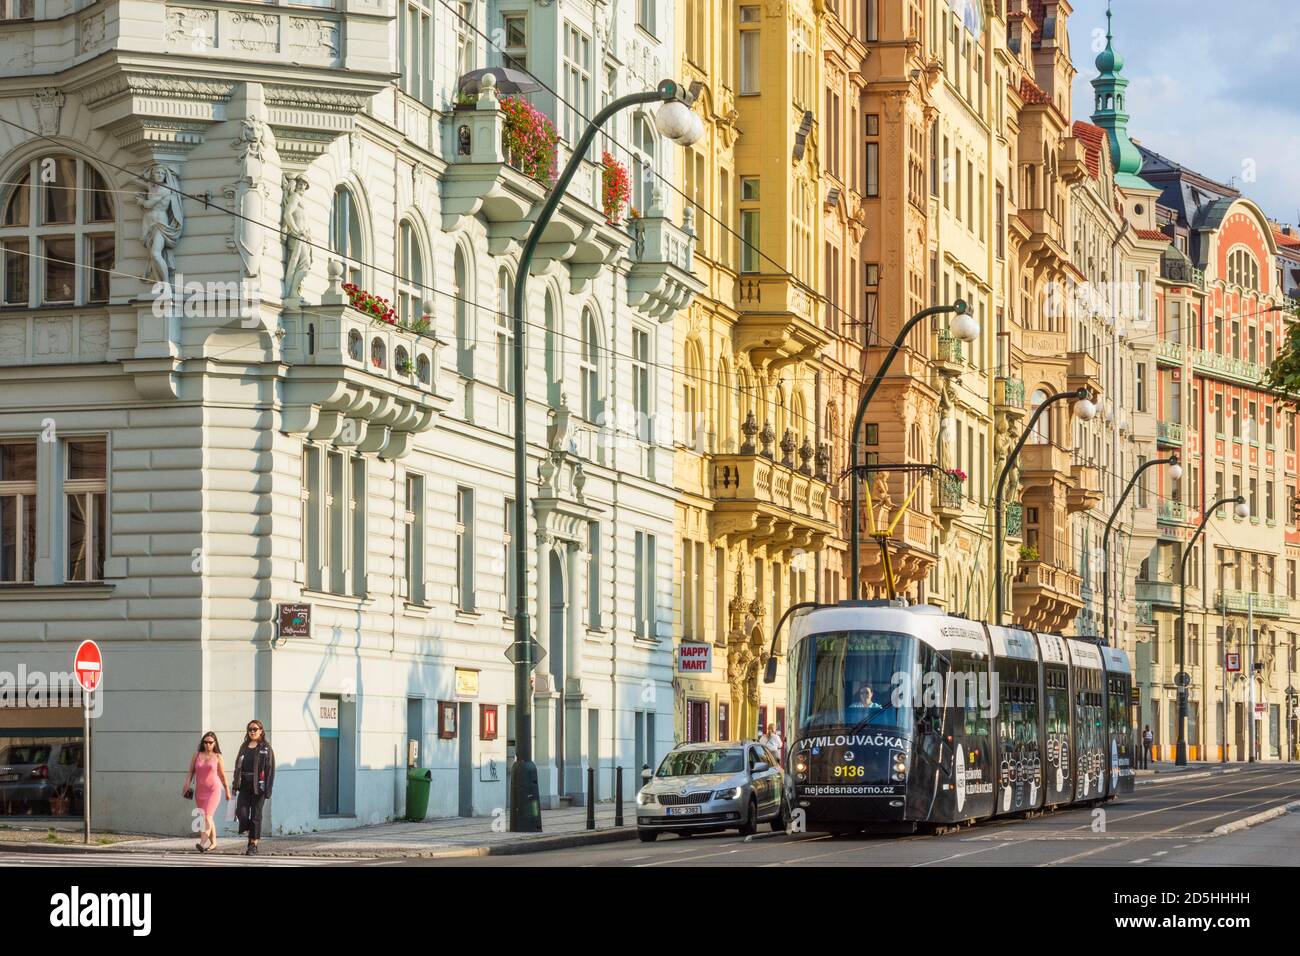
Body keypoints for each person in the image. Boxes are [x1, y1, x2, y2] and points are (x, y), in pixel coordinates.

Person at [232, 720, 275, 856]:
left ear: (261, 730)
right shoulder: (244, 746)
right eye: (250, 729)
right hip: (244, 785)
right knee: (242, 812)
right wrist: (235, 784)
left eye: (255, 729)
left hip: (259, 787)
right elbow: (237, 766)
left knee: (256, 816)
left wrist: (268, 789)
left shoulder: (266, 748)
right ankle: (249, 830)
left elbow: (270, 769)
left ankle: (253, 845)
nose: (252, 731)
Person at [183, 732, 230, 853]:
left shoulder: (218, 756)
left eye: (210, 742)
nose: (207, 744)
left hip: (213, 790)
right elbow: (190, 772)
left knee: (207, 816)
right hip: (200, 791)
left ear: (215, 743)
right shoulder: (197, 755)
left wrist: (227, 790)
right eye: (205, 742)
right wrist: (186, 784)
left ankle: (202, 843)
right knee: (207, 817)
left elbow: (222, 775)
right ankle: (214, 842)